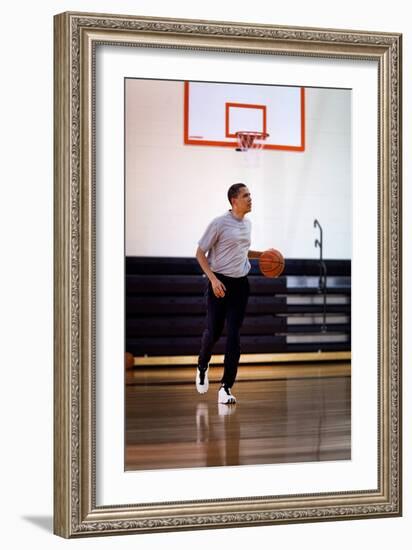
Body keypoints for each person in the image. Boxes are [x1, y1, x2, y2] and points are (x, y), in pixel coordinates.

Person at [195, 183, 263, 404]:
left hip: (240, 285)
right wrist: (213, 279)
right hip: (219, 283)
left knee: (234, 334)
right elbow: (199, 253)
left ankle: (225, 387)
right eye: (246, 195)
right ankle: (202, 364)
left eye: (250, 195)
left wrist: (264, 255)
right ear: (234, 200)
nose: (250, 198)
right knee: (214, 332)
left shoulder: (248, 224)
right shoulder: (218, 223)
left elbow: (242, 251)